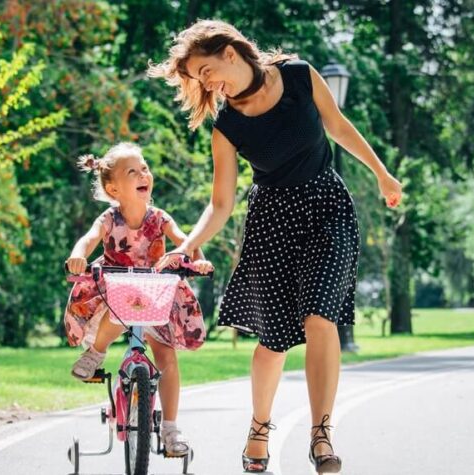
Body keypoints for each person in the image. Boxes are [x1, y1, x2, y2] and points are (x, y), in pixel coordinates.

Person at [149, 20, 402, 473]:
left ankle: (321, 435)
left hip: (328, 208)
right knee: (275, 340)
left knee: (321, 318)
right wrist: (188, 245)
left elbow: (339, 127)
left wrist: (381, 173)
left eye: (206, 70)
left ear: (230, 52)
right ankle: (259, 428)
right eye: (198, 79)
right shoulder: (226, 126)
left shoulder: (301, 76)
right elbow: (221, 203)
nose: (206, 84)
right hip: (272, 223)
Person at [63, 142, 213, 457]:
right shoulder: (109, 218)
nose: (144, 173)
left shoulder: (159, 218)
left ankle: (171, 431)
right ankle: (96, 353)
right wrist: (79, 254)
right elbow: (90, 238)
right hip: (118, 289)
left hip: (157, 292)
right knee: (116, 314)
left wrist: (196, 260)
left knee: (167, 359)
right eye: (133, 171)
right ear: (113, 188)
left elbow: (185, 242)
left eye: (144, 167)